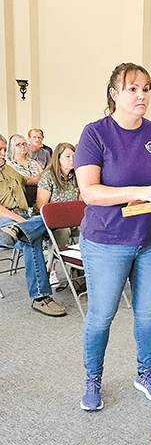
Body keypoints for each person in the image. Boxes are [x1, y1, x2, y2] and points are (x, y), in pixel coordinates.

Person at [74, 61, 151, 412]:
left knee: (148, 314)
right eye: (132, 88)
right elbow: (90, 192)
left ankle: (145, 373)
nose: (141, 95)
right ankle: (93, 379)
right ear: (114, 94)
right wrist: (139, 191)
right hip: (107, 241)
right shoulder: (95, 133)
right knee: (102, 315)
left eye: (145, 89)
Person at [0, 135, 66, 316]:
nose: (3, 154)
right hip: (4, 220)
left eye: (4, 149)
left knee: (49, 218)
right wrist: (18, 220)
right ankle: (40, 298)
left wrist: (51, 174)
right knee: (33, 237)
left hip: (19, 221)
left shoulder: (8, 170)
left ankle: (19, 231)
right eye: (0, 150)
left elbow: (29, 180)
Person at [37, 142, 80, 248]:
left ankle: (82, 260)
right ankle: (55, 259)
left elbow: (80, 202)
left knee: (90, 228)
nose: (72, 160)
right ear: (58, 158)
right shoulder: (48, 176)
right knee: (63, 231)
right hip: (54, 219)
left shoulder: (77, 176)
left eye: (74, 157)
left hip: (72, 218)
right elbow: (41, 205)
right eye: (67, 157)